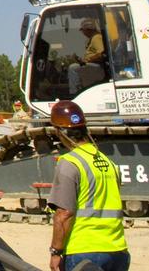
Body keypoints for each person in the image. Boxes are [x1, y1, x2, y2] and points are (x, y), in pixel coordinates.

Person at [46, 99, 129, 271]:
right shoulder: (108, 163)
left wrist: (55, 251)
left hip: (85, 251)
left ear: (59, 132)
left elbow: (64, 214)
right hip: (118, 250)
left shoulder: (70, 162)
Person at [67, 19, 107, 94]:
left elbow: (102, 54)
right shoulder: (92, 39)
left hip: (99, 67)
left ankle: (74, 93)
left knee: (73, 68)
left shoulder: (96, 38)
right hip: (94, 66)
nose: (83, 33)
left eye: (83, 30)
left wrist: (87, 60)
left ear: (88, 29)